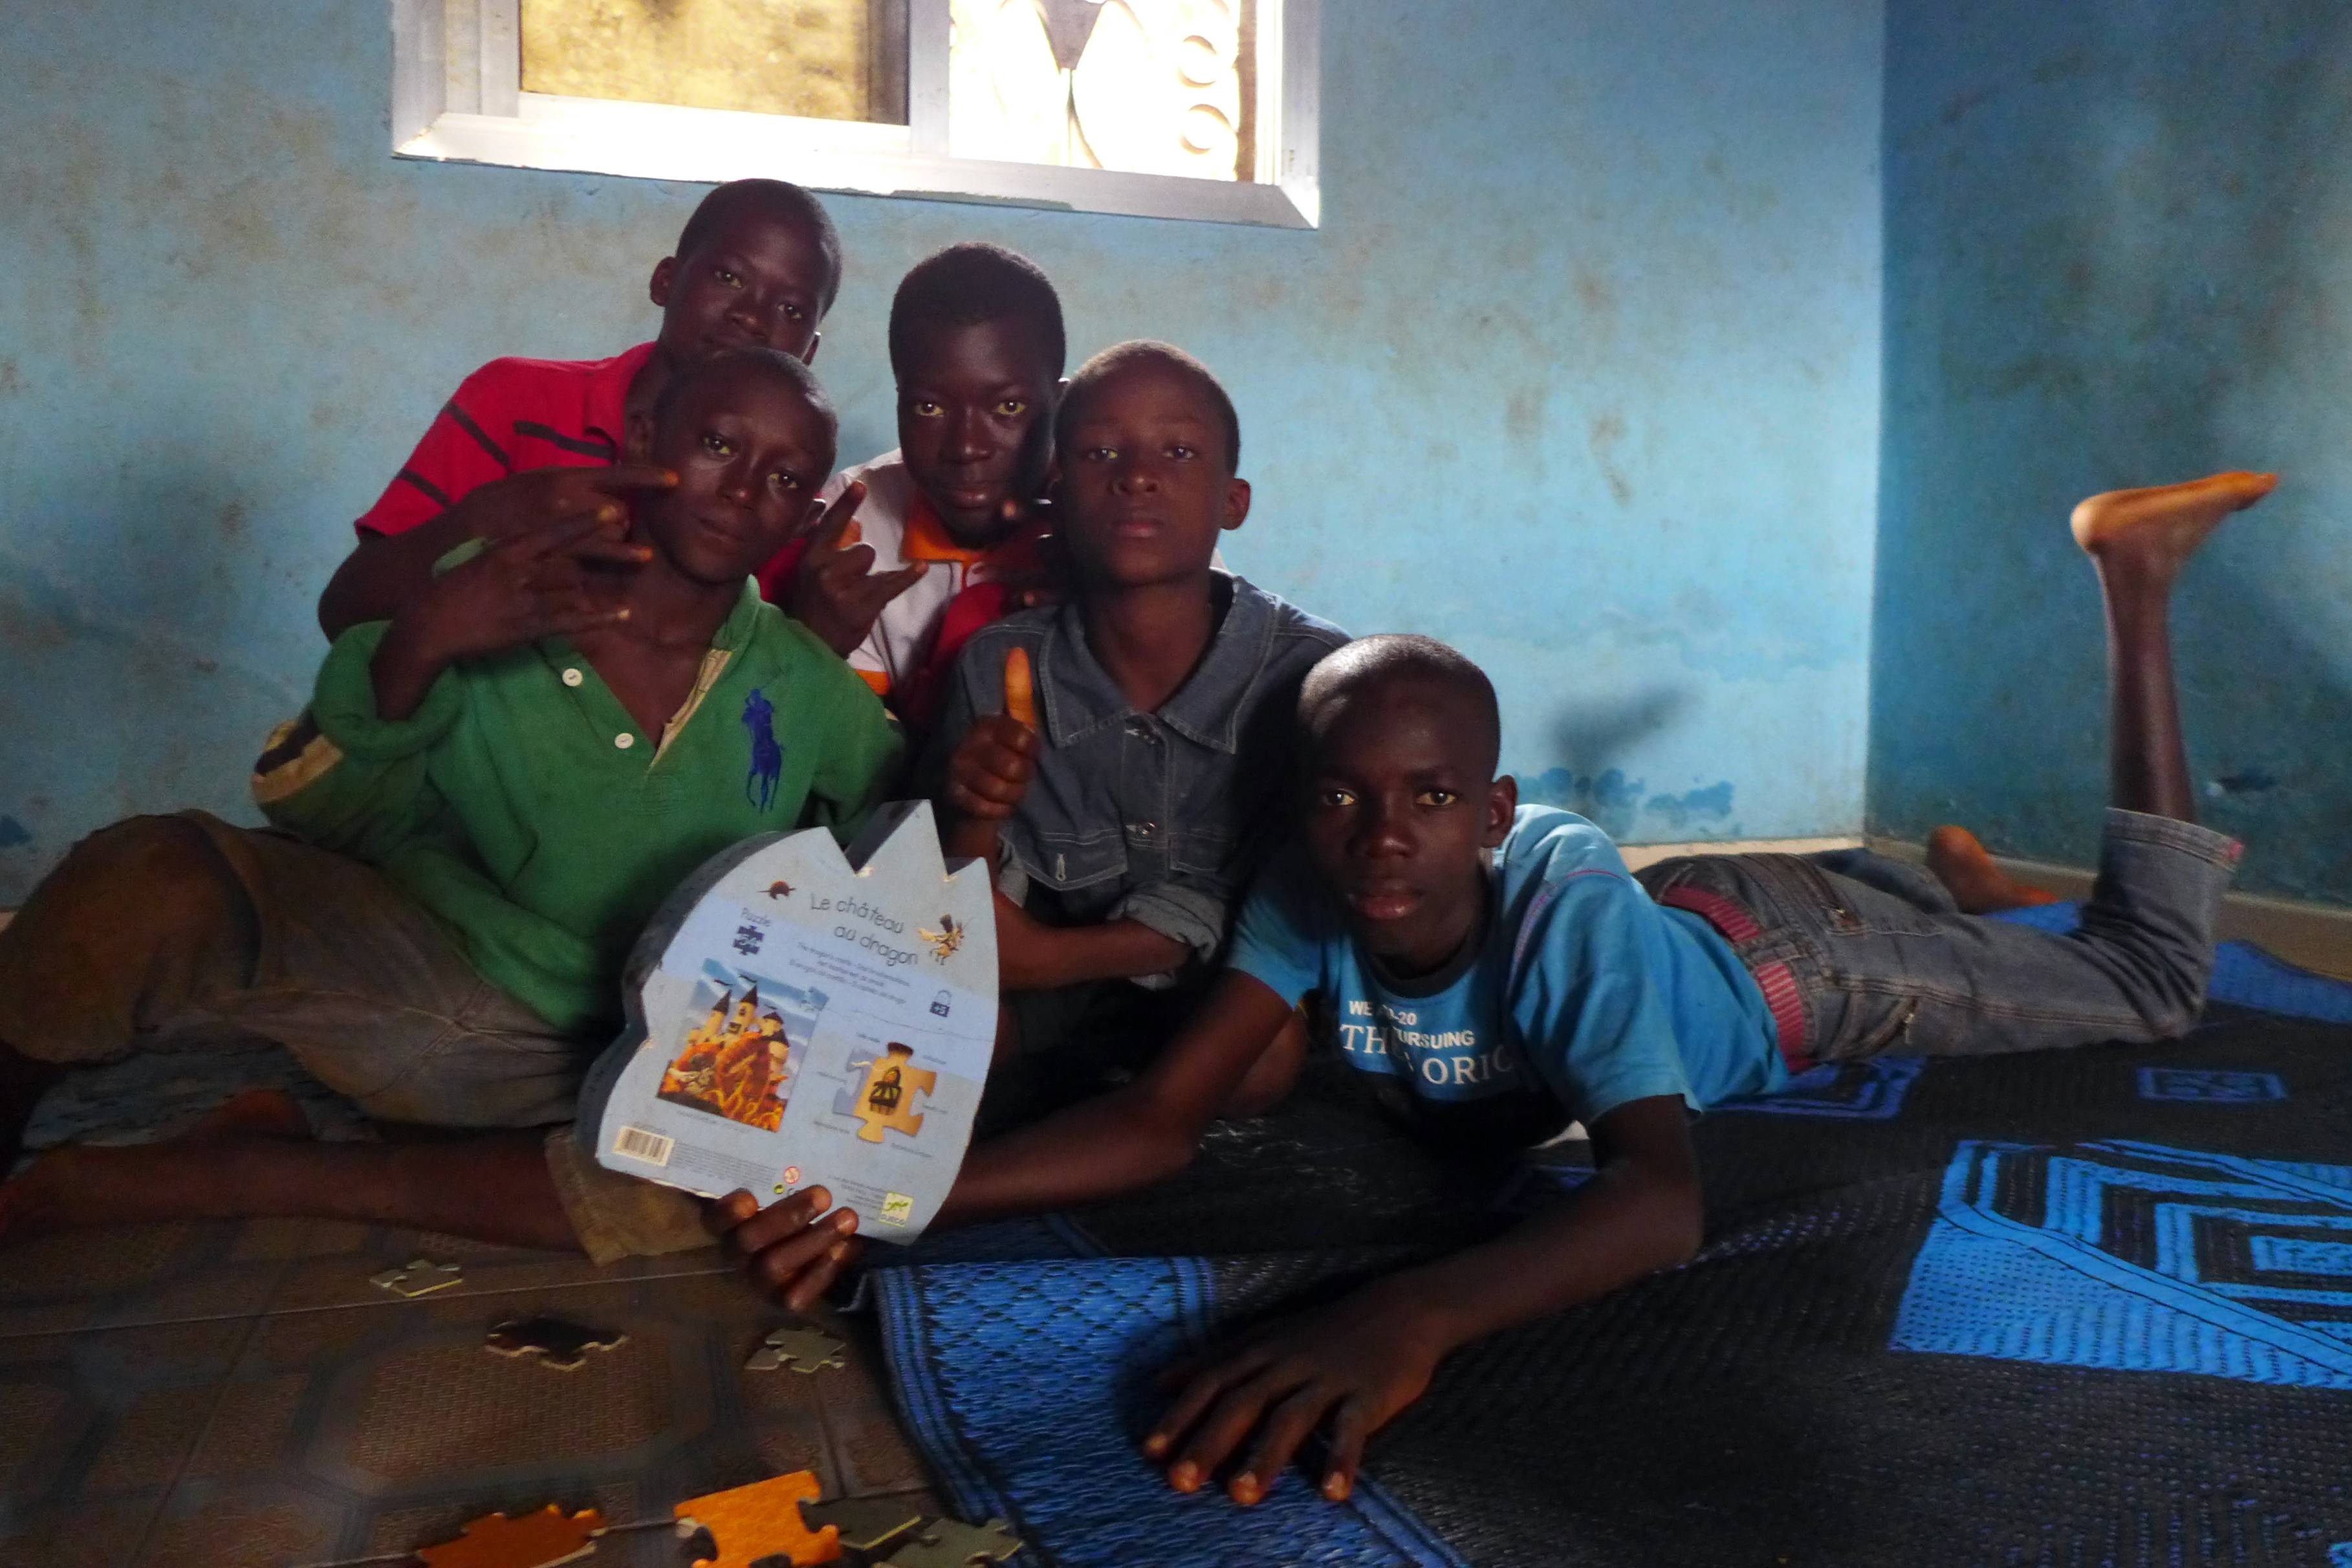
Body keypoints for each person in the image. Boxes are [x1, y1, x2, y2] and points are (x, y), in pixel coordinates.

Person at [716, 469, 2277, 1505]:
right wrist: (887, 1190)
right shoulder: (1308, 884)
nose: (1382, 840)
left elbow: (1657, 1198)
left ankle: (2126, 583)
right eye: (1340, 800)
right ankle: (1956, 885)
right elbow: (1159, 1117)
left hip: (1789, 975)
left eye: (1429, 800)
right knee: (1934, 930)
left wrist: (1407, 1319)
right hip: (1707, 916)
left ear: (1490, 800)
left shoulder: (1557, 895)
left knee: (2147, 983)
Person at [0, 347, 899, 1261]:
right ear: (641, 439)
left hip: (618, 1057)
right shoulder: (504, 585)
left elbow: (889, 860)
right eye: (716, 443)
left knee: (742, 1180)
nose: (744, 489)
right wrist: (422, 640)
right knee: (151, 873)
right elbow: (331, 820)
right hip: (421, 975)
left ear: (805, 512)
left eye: (785, 478)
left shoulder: (802, 681)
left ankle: (243, 1172)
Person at [924, 340, 1347, 1105]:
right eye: (1098, 452)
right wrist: (973, 814)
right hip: (1045, 981)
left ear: (1234, 500)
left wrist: (1055, 959)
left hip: (1233, 979)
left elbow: (1304, 897)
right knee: (938, 1037)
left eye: (1179, 451)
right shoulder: (999, 668)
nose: (1137, 474)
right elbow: (968, 914)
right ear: (1056, 489)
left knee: (1258, 1057)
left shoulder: (1315, 678)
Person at [315, 179, 842, 639]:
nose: (751, 317)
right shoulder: (516, 401)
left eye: (790, 309)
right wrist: (488, 518)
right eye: (728, 277)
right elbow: (346, 612)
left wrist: (819, 629)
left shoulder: (773, 491)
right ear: (665, 281)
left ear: (810, 353)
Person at [760, 242, 1069, 731]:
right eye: (930, 408)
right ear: (900, 397)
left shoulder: (1119, 520)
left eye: (1007, 408)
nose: (966, 447)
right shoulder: (853, 527)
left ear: (1060, 402)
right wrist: (812, 642)